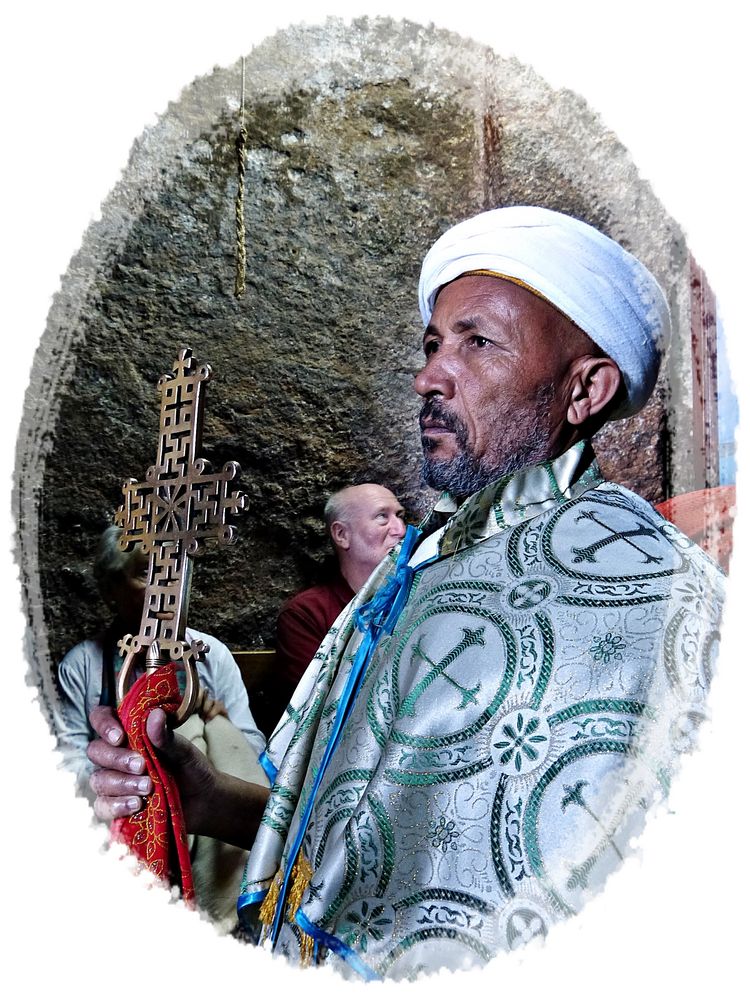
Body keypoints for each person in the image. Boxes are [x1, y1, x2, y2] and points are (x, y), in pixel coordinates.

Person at [87, 206, 724, 979]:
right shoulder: (418, 562)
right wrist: (209, 799)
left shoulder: (655, 596)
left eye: (477, 342)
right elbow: (370, 837)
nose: (428, 376)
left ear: (584, 388)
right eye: (432, 344)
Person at [54, 524, 266, 801]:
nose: (162, 587)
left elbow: (253, 745)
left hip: (204, 809)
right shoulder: (81, 666)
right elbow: (67, 764)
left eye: (171, 573)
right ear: (110, 589)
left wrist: (222, 730)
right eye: (145, 572)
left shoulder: (211, 653)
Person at [270, 484, 407, 723]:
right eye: (382, 517)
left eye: (400, 516)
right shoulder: (307, 614)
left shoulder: (415, 597)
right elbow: (319, 707)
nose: (401, 530)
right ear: (342, 535)